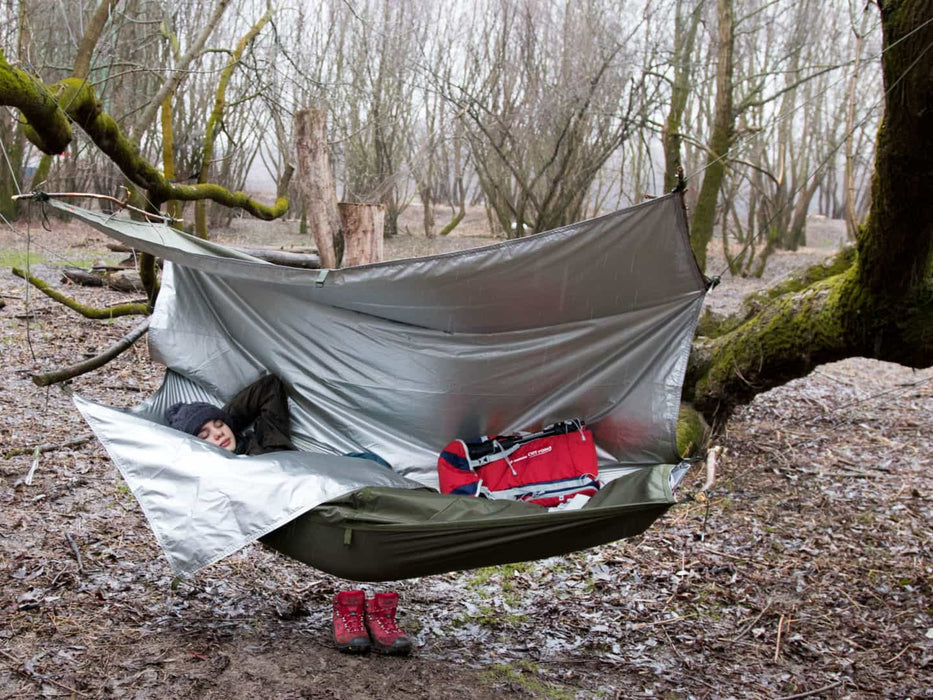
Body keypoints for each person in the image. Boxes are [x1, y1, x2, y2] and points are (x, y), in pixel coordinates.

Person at [165, 373, 412, 656]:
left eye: (219, 426)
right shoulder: (220, 479)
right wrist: (205, 442)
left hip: (331, 476)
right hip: (316, 508)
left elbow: (269, 387)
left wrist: (225, 418)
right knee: (369, 512)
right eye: (204, 435)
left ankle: (432, 501)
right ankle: (353, 606)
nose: (217, 434)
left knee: (376, 466)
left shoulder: (267, 442)